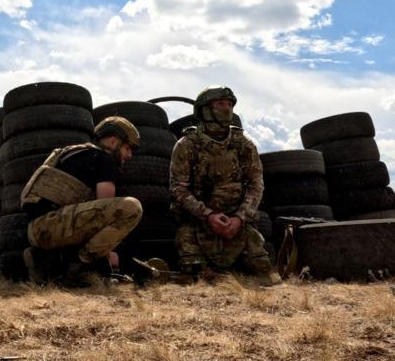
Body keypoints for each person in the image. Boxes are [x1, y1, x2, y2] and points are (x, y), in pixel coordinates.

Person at [170, 86, 280, 284]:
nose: (227, 108)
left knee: (263, 272)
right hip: (198, 224)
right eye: (220, 104)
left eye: (230, 104)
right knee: (193, 274)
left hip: (237, 225)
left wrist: (239, 218)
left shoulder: (244, 144)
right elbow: (178, 188)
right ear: (204, 109)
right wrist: (208, 215)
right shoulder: (187, 145)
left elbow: (256, 185)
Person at [21, 116, 143, 285]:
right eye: (127, 148)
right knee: (131, 208)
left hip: (36, 230)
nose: (129, 155)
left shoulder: (70, 152)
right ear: (113, 142)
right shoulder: (104, 159)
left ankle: (50, 261)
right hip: (53, 226)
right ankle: (82, 267)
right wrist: (105, 255)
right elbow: (105, 211)